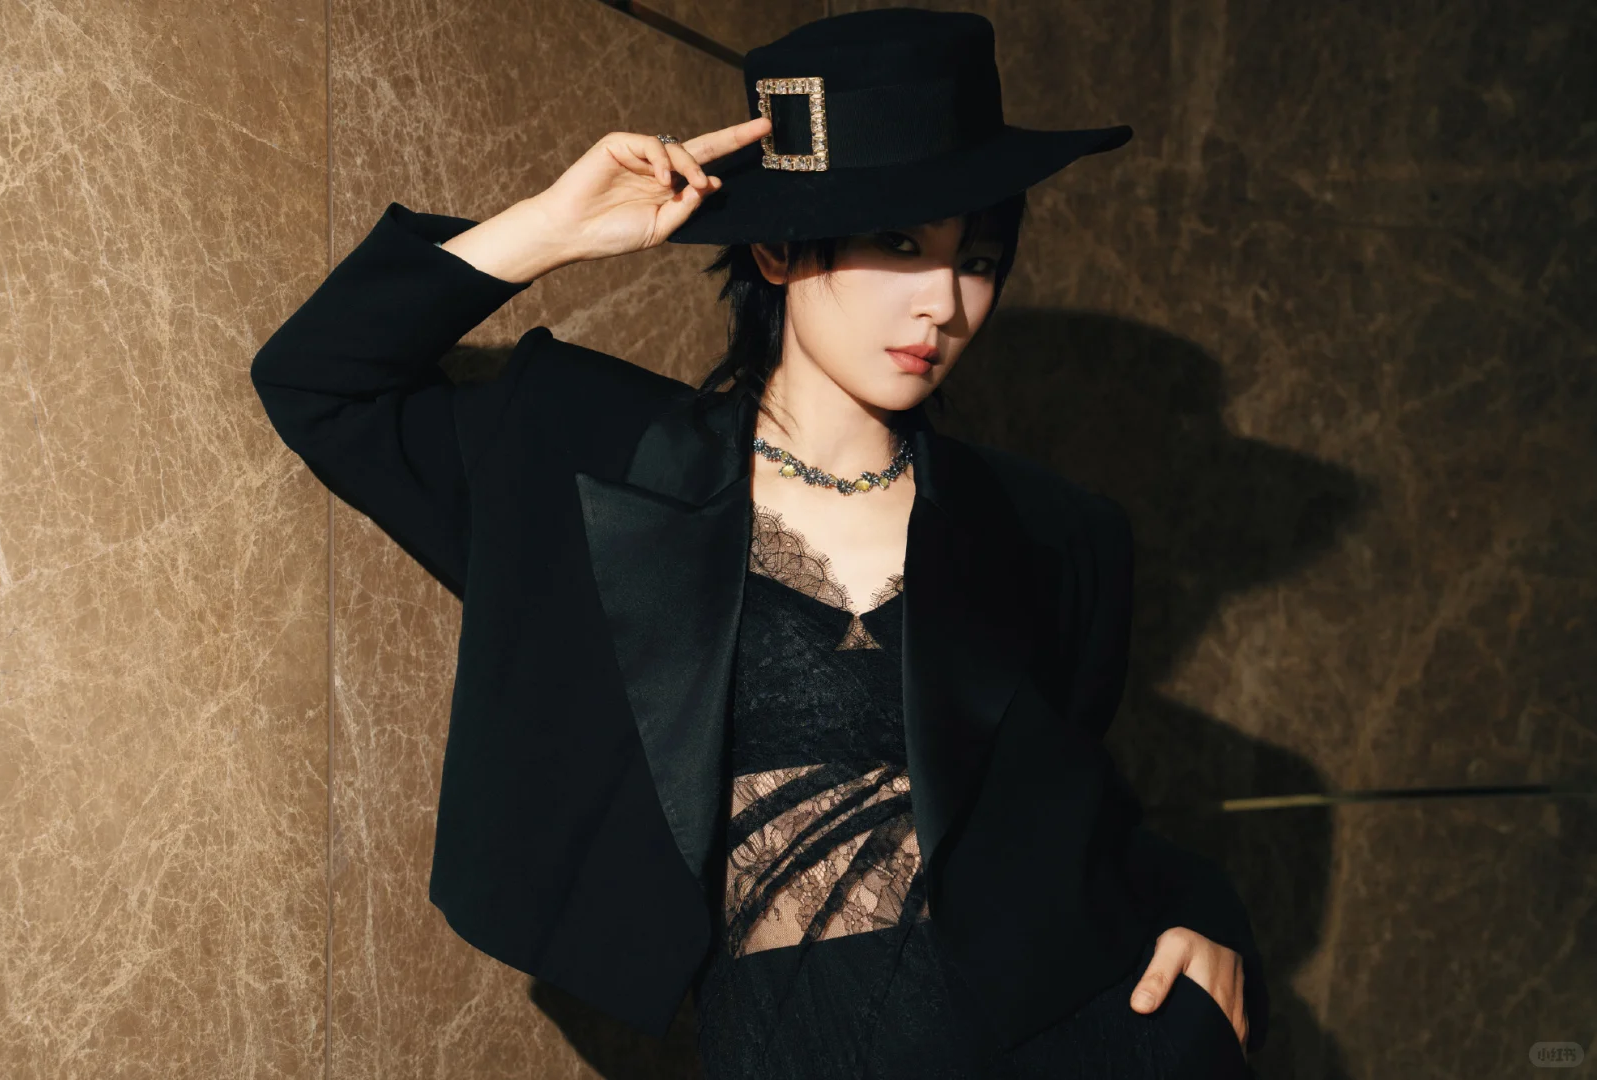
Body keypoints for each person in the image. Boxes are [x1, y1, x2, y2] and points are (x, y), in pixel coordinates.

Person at [251, 8, 1268, 1078]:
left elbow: (1077, 812)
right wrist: (549, 230)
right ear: (779, 247)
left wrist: (1204, 917)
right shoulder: (591, 458)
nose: (943, 304)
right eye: (902, 244)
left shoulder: (1058, 532)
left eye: (978, 259)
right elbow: (320, 381)